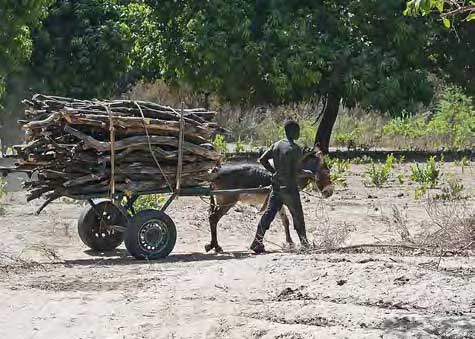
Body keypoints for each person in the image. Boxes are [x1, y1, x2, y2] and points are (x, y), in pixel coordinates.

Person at [250, 120, 311, 253]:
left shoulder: (276, 145)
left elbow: (262, 159)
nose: (299, 133)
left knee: (268, 215)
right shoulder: (296, 149)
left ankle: (256, 242)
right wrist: (309, 173)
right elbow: (298, 172)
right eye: (298, 130)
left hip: (277, 187)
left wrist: (273, 172)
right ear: (292, 132)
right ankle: (305, 244)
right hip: (290, 189)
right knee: (298, 216)